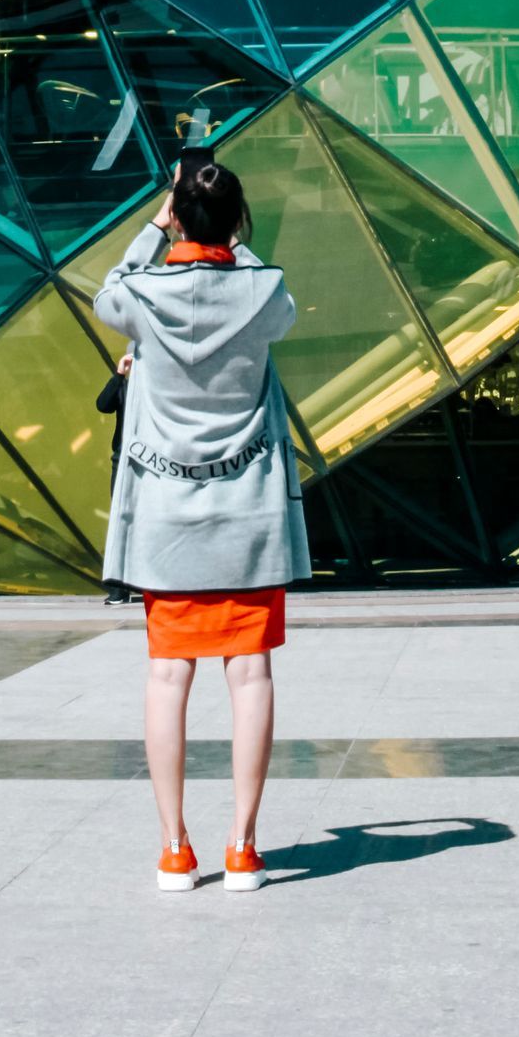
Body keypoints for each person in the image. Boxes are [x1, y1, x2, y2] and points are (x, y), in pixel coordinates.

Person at [94, 156, 309, 893]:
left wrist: (160, 227)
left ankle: (175, 849)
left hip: (167, 518)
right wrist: (228, 235)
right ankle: (245, 848)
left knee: (166, 678)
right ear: (238, 223)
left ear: (177, 216)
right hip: (247, 514)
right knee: (250, 677)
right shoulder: (266, 292)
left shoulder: (141, 297)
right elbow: (263, 291)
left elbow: (106, 295)